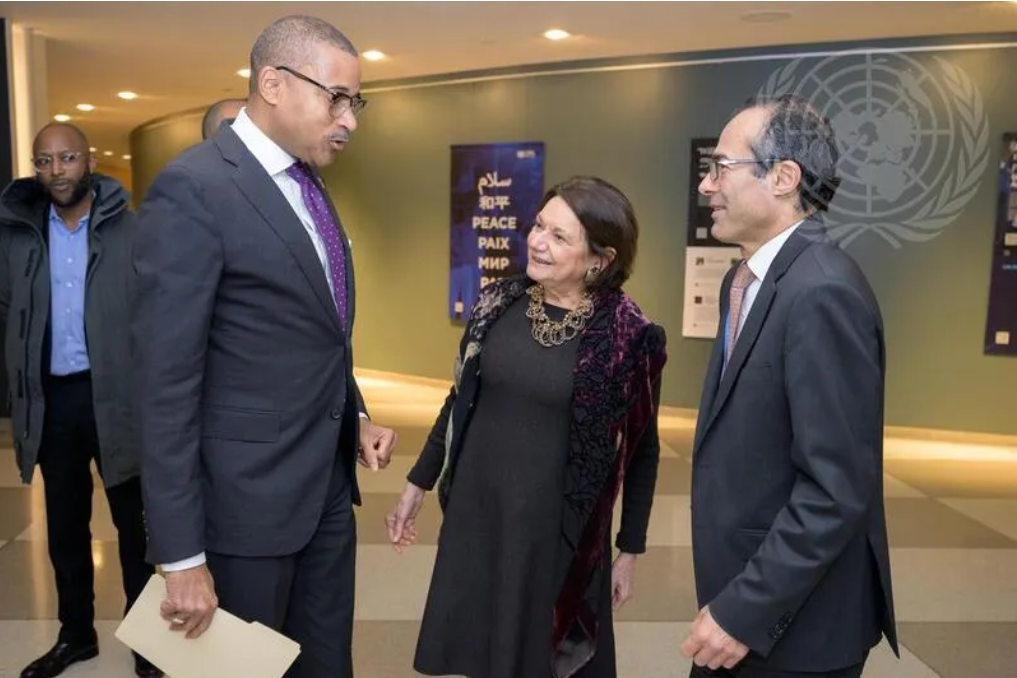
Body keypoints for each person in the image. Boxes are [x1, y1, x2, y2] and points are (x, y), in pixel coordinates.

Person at [132, 15, 397, 678]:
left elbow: (312, 330)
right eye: (335, 97)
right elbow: (164, 386)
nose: (349, 119)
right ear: (273, 83)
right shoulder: (195, 189)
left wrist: (355, 412)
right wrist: (181, 557)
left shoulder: (308, 184)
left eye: (355, 102)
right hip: (242, 511)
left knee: (324, 664)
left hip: (324, 491)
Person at [388, 176, 668, 678]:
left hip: (554, 534)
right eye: (539, 225)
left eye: (560, 236)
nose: (536, 241)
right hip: (480, 516)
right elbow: (460, 402)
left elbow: (643, 451)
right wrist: (418, 482)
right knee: (483, 652)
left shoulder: (629, 337)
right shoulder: (497, 304)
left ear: (600, 260)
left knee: (541, 659)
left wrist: (629, 549)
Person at [682, 94, 898, 678]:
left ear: (783, 177)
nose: (707, 186)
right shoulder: (749, 276)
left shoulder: (821, 291)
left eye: (721, 168)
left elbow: (835, 489)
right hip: (752, 594)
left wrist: (743, 612)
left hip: (795, 626)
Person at [0, 123, 161, 678]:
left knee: (135, 531)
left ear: (88, 160)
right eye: (43, 161)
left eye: (66, 158)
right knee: (65, 528)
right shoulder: (19, 234)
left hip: (116, 399)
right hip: (53, 402)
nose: (56, 171)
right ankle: (77, 636)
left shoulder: (130, 230)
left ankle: (148, 643)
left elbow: (156, 316)